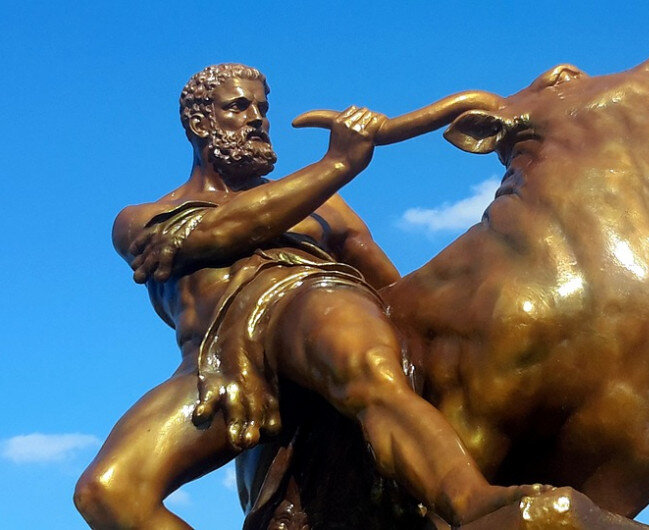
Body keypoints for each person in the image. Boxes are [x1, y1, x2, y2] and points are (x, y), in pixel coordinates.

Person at [74, 63, 532, 529]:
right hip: (217, 365)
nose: (257, 118)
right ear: (199, 122)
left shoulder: (324, 206)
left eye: (262, 108)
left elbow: (393, 291)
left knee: (366, 370)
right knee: (107, 490)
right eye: (239, 106)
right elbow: (221, 231)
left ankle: (475, 504)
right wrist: (338, 165)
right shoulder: (145, 217)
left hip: (311, 298)